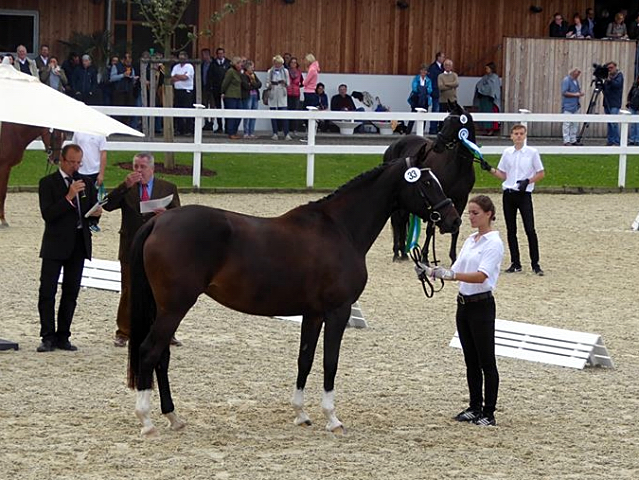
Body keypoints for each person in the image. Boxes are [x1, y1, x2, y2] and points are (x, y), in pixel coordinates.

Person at [415, 195, 504, 426]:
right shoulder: (470, 240)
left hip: (481, 305)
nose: (471, 218)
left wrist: (452, 275)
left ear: (488, 214)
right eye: (470, 213)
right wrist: (432, 272)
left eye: (475, 213)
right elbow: (455, 269)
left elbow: (481, 275)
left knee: (486, 360)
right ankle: (474, 406)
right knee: (470, 360)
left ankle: (489, 412)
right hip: (463, 305)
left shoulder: (493, 243)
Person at [102, 153, 181, 348]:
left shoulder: (167, 188)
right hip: (131, 247)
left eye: (142, 167)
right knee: (129, 290)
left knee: (160, 292)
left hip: (159, 250)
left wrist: (167, 215)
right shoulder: (128, 188)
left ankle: (164, 331)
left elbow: (179, 217)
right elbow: (107, 205)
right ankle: (123, 332)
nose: (138, 171)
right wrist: (123, 186)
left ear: (152, 169)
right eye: (135, 166)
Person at [36, 144, 102, 352]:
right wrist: (68, 197)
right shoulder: (48, 183)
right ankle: (47, 336)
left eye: (78, 162)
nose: (75, 166)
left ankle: (63, 335)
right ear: (62, 160)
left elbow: (88, 216)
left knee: (71, 292)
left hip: (78, 243)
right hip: (55, 244)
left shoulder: (86, 183)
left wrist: (96, 214)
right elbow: (49, 215)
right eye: (71, 162)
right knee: (47, 291)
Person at [485, 124, 544, 275]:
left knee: (530, 229)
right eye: (516, 134)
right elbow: (503, 175)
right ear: (511, 136)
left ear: (525, 136)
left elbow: (540, 172)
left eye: (521, 134)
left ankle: (535, 263)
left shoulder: (532, 153)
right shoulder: (507, 153)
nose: (518, 136)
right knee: (511, 230)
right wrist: (490, 169)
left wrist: (528, 181)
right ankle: (515, 262)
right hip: (509, 194)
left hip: (524, 194)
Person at [266, 55, 291, 140]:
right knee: (273, 114)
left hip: (282, 93)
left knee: (284, 114)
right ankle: (275, 133)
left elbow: (288, 83)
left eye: (279, 64)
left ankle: (286, 133)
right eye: (276, 63)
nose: (278, 65)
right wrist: (270, 85)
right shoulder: (270, 71)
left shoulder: (285, 71)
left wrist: (284, 83)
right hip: (273, 93)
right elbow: (267, 82)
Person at [171, 51, 195, 135]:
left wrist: (177, 76)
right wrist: (180, 76)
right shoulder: (176, 67)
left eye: (183, 58)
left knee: (188, 110)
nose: (181, 60)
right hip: (177, 90)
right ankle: (179, 129)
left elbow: (186, 77)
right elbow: (172, 78)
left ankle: (189, 129)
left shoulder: (189, 67)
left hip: (187, 91)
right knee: (178, 110)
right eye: (180, 58)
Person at [473, 62, 501, 136]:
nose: (486, 70)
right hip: (483, 99)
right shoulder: (485, 77)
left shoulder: (495, 77)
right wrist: (481, 90)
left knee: (490, 115)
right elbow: (479, 84)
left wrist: (487, 91)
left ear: (491, 69)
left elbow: (493, 88)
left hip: (490, 99)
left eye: (487, 68)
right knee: (483, 113)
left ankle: (491, 130)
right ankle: (485, 129)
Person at [221, 56, 245, 139]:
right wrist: (223, 92)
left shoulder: (239, 72)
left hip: (238, 96)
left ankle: (235, 131)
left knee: (239, 114)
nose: (241, 65)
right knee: (232, 115)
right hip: (230, 96)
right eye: (239, 63)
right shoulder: (230, 71)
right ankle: (231, 133)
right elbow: (225, 83)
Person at [208, 47, 231, 133]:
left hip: (227, 89)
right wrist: (210, 86)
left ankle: (228, 127)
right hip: (216, 88)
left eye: (222, 53)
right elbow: (210, 76)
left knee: (227, 108)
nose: (221, 55)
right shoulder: (213, 64)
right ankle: (220, 126)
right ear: (217, 55)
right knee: (218, 107)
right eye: (219, 53)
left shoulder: (228, 63)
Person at [560, 67, 584, 145]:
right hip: (568, 105)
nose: (578, 75)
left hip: (575, 105)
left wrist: (580, 93)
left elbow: (577, 90)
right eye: (577, 73)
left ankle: (573, 139)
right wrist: (575, 94)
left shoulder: (576, 81)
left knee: (575, 123)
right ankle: (566, 140)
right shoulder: (567, 80)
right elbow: (564, 92)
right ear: (573, 73)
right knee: (567, 123)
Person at [405, 64, 432, 135]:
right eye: (422, 70)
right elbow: (414, 88)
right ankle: (408, 132)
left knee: (424, 117)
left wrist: (423, 90)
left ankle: (421, 132)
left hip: (425, 100)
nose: (423, 72)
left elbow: (430, 90)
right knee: (413, 116)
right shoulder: (416, 78)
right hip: (416, 99)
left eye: (425, 70)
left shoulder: (428, 80)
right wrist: (422, 90)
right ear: (420, 71)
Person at [603, 61, 624, 146]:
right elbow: (604, 89)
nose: (610, 70)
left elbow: (617, 85)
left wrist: (609, 80)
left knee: (614, 123)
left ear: (615, 67)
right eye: (608, 68)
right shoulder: (607, 77)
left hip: (614, 103)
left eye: (611, 68)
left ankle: (616, 141)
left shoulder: (619, 75)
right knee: (609, 122)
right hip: (607, 102)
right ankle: (610, 140)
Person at [241, 60, 262, 139]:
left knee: (253, 115)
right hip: (248, 96)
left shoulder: (254, 75)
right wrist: (254, 85)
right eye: (251, 67)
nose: (253, 69)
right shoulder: (243, 76)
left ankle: (251, 132)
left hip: (255, 96)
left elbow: (259, 84)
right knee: (247, 114)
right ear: (247, 68)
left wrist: (253, 84)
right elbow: (246, 86)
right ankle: (246, 132)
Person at [427, 51, 445, 134]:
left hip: (442, 93)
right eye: (442, 57)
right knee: (435, 110)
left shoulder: (443, 68)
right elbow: (432, 80)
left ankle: (440, 128)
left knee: (442, 111)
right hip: (436, 91)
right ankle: (433, 129)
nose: (443, 59)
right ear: (438, 57)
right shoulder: (433, 67)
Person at [286, 57, 304, 135]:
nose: (293, 64)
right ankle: (287, 129)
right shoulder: (286, 71)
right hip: (288, 93)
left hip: (296, 93)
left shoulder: (299, 72)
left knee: (295, 111)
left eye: (295, 62)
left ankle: (294, 129)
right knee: (287, 111)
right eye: (292, 62)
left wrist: (297, 86)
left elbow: (302, 82)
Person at [626, 74, 639, 145]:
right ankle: (632, 139)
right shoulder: (634, 86)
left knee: (637, 124)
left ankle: (637, 140)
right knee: (632, 125)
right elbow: (630, 94)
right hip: (633, 106)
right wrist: (629, 101)